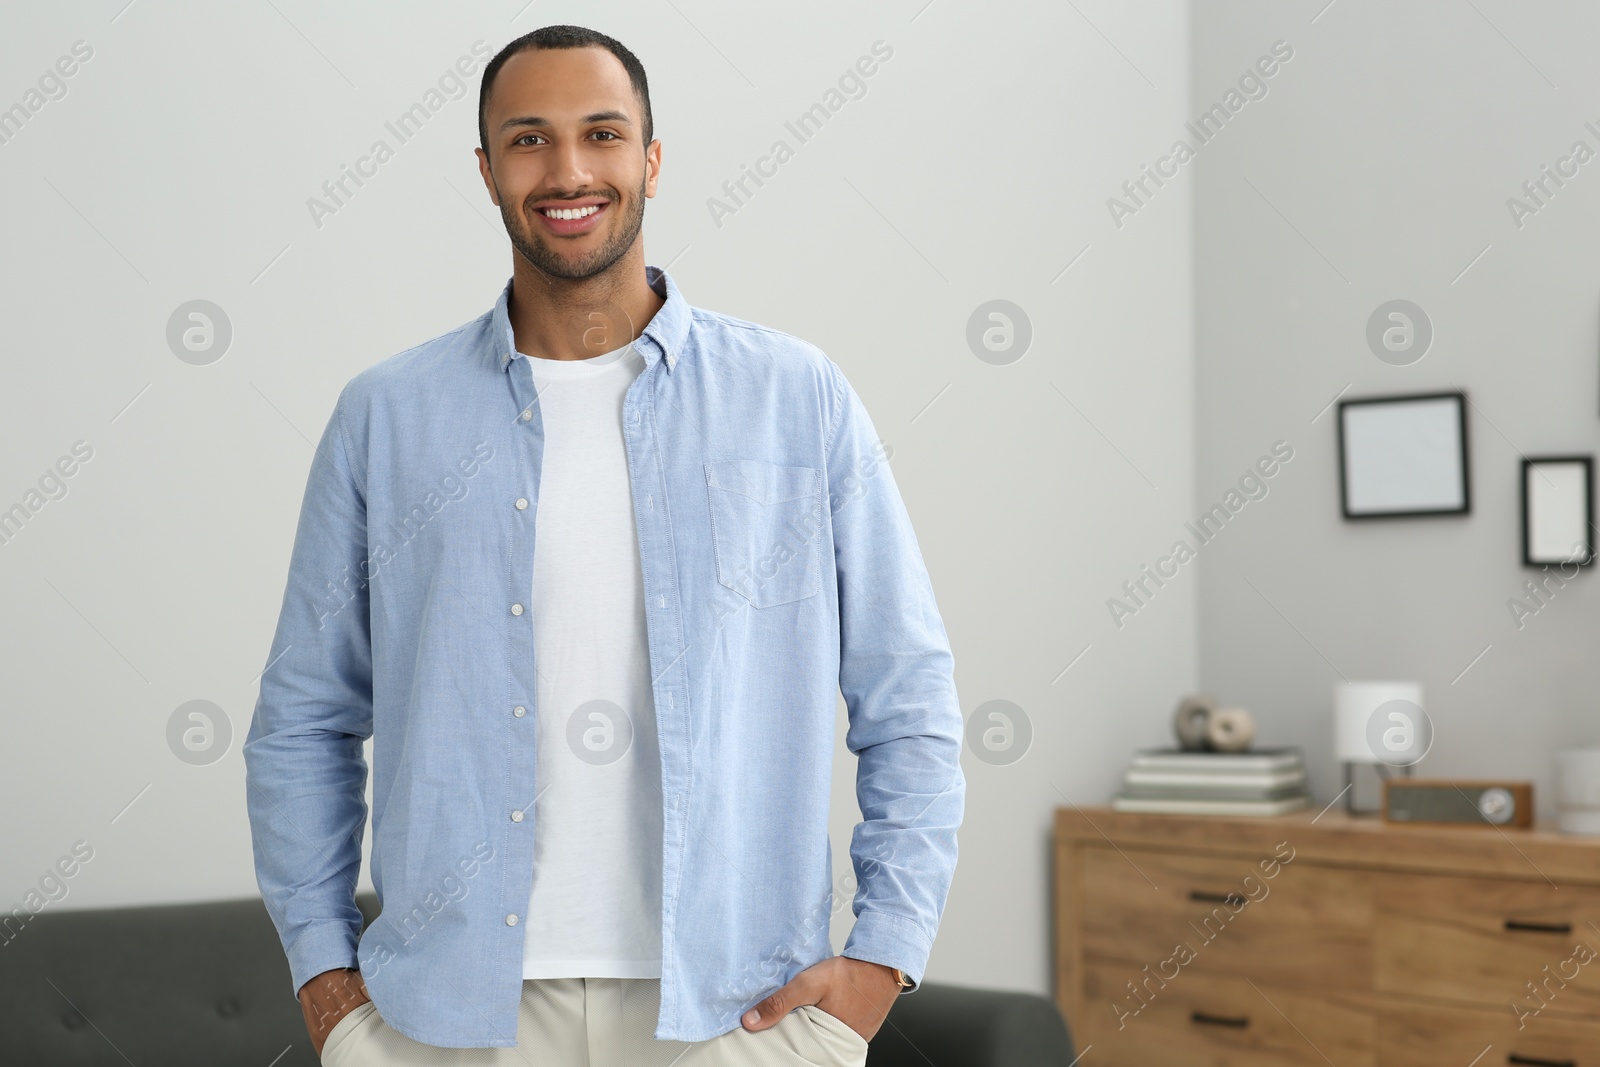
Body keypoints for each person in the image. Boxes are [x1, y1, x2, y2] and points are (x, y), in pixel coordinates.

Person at [243, 23, 965, 1066]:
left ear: (651, 161)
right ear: (487, 170)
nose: (568, 170)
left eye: (602, 134)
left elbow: (910, 697)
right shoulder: (385, 418)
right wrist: (325, 980)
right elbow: (301, 718)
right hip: (443, 1022)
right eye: (529, 140)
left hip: (734, 1010)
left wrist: (880, 960)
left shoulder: (794, 399)